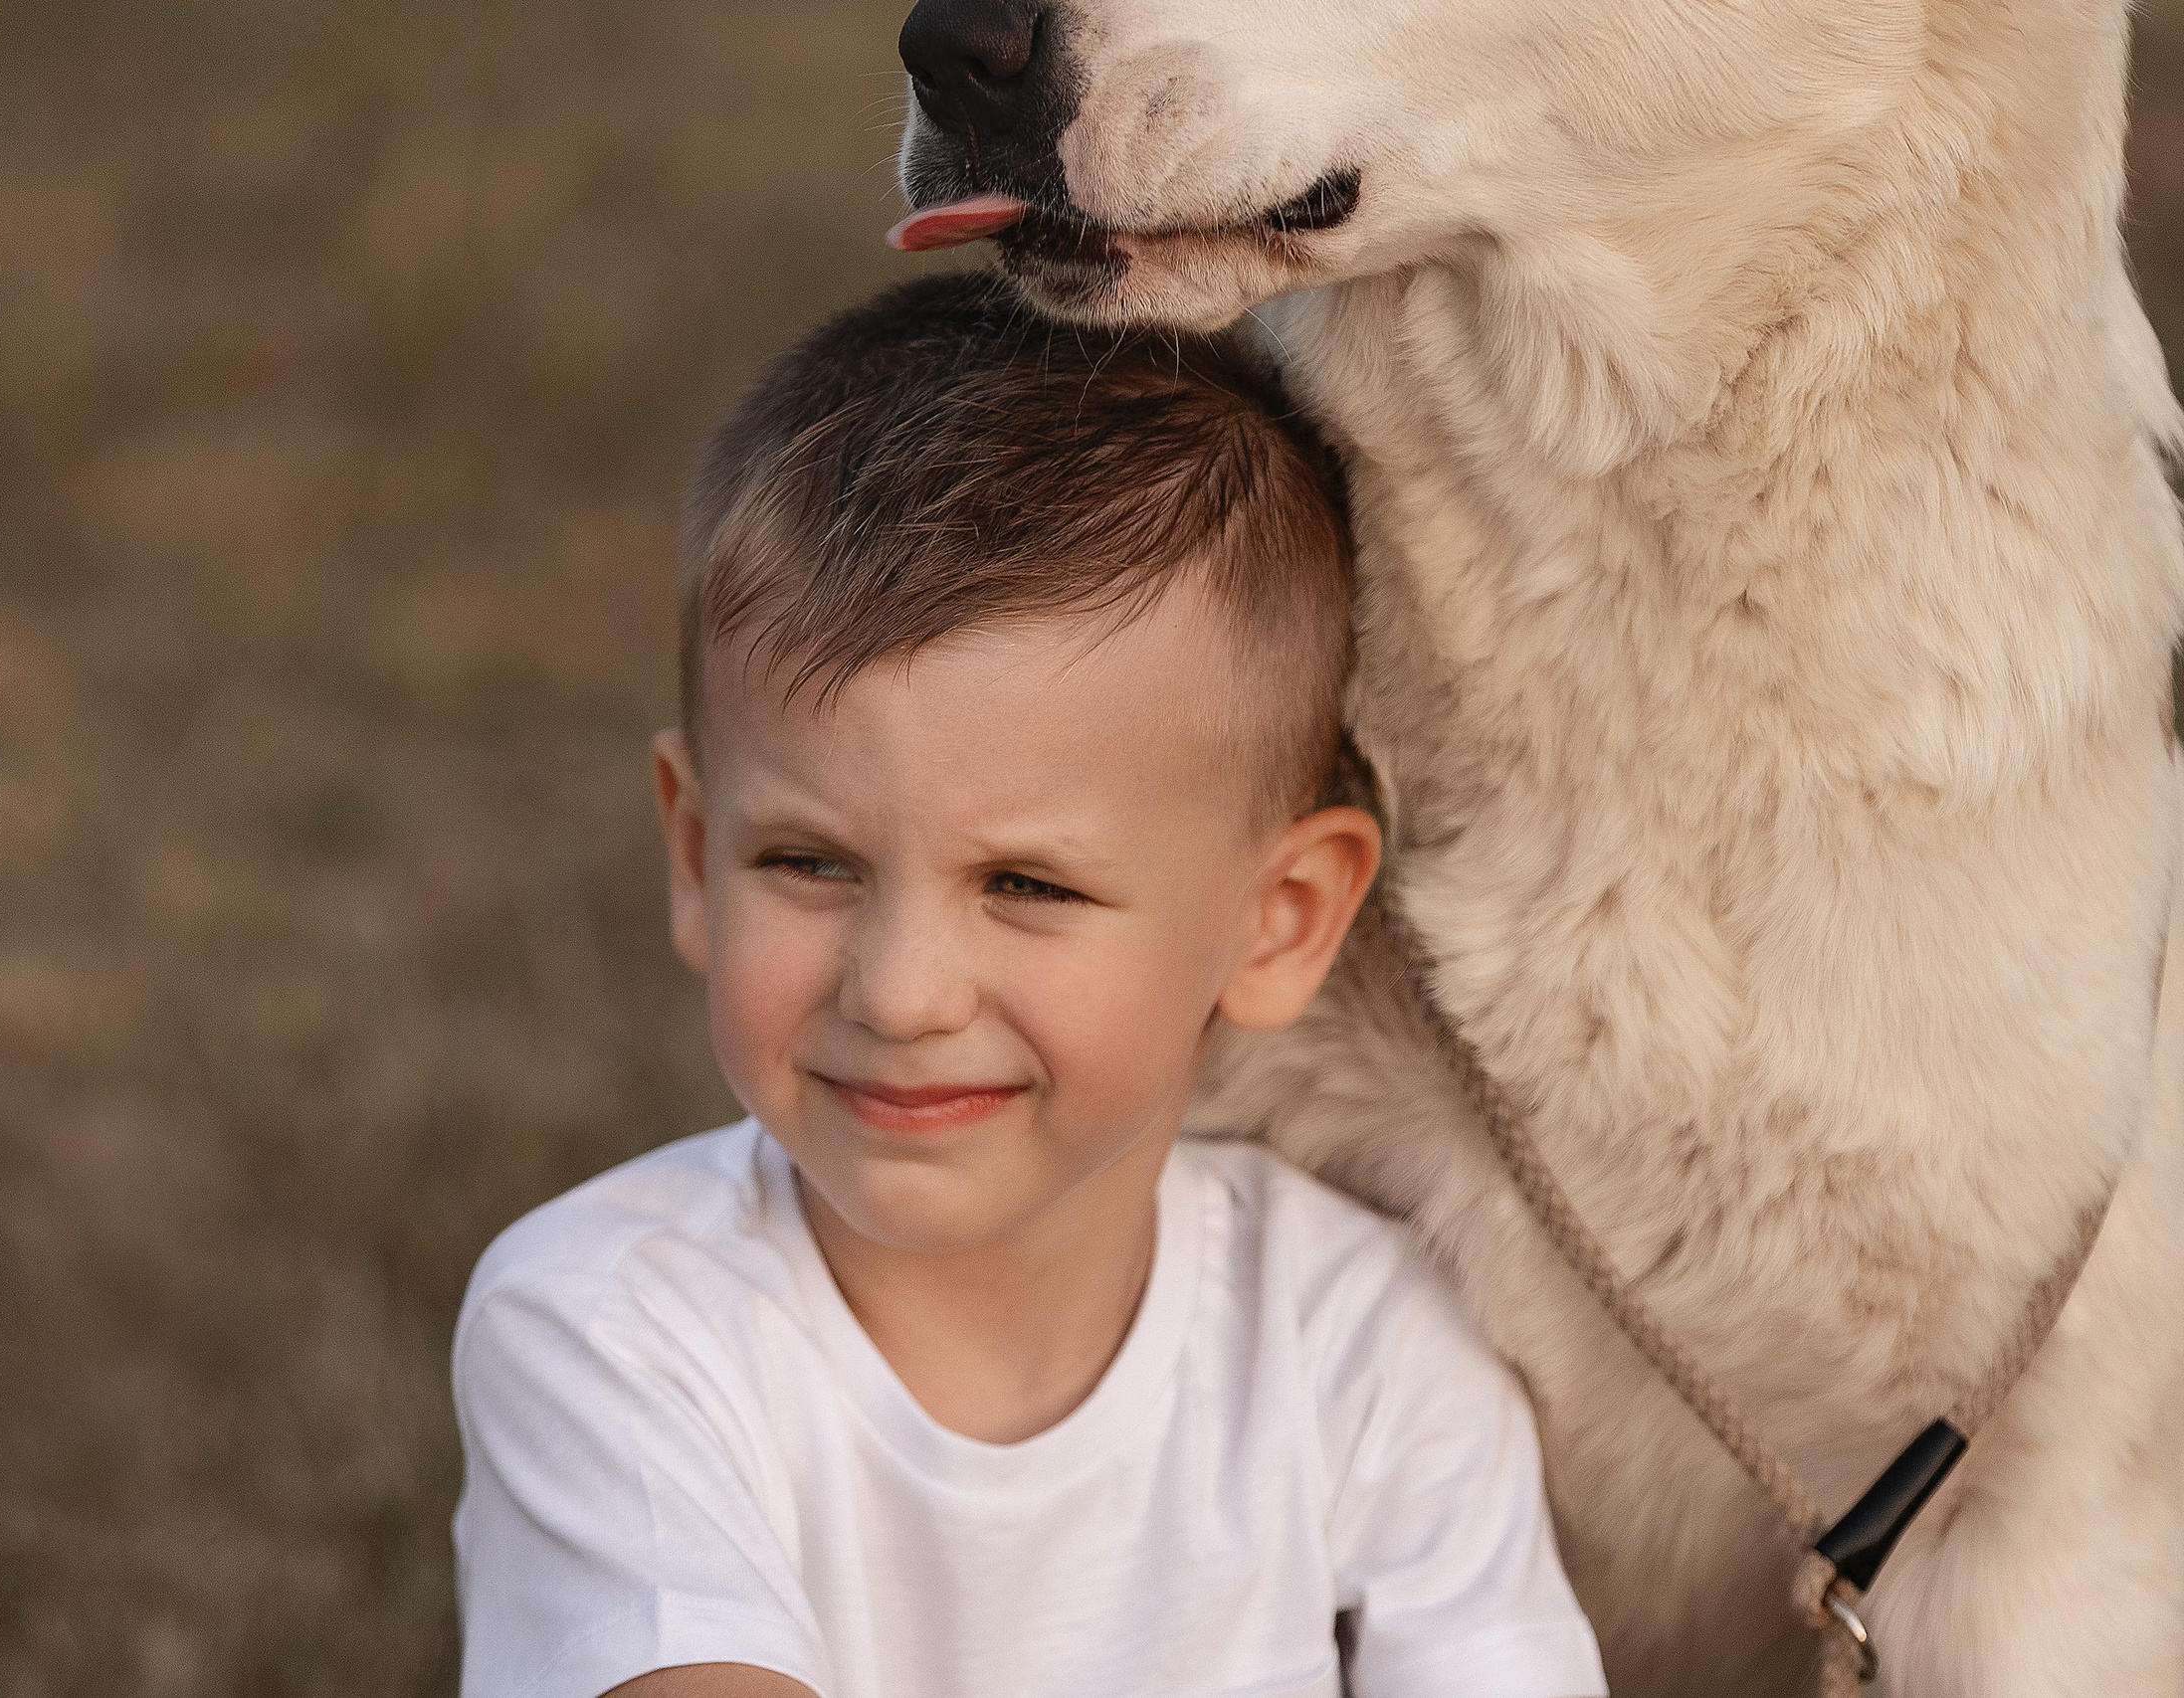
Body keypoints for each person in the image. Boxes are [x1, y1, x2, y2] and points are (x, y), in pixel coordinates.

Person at [453, 272, 1607, 1698]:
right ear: (696, 853)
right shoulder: (611, 1328)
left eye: (1027, 886)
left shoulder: (1364, 1356)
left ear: (1279, 920)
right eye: (810, 863)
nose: (901, 992)